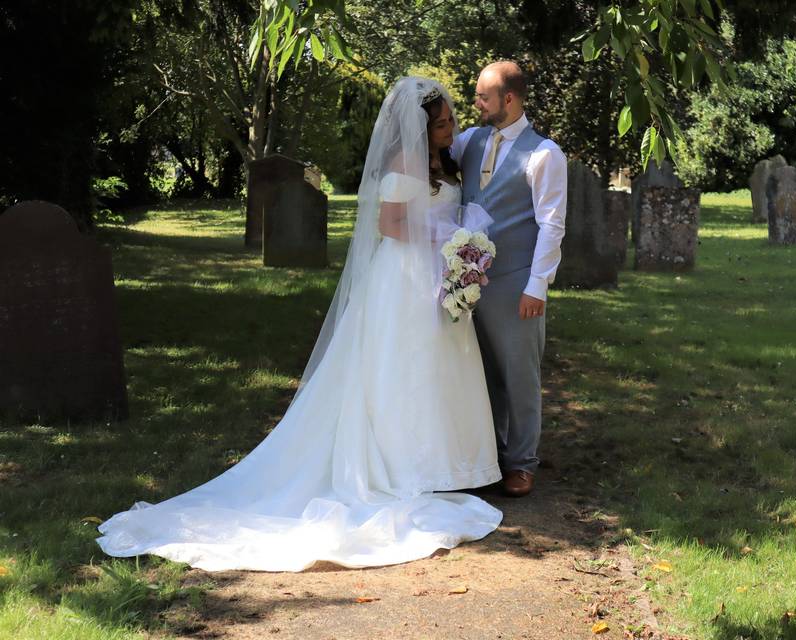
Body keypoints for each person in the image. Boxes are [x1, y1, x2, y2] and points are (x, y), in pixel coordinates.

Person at [96, 77, 503, 572]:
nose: (451, 128)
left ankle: (449, 461)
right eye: (441, 123)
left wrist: (459, 252)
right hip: (405, 278)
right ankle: (406, 465)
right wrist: (447, 240)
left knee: (441, 365)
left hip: (438, 275)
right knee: (404, 365)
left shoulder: (447, 161)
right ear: (419, 127)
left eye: (451, 120)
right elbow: (390, 224)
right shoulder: (403, 165)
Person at [451, 61, 567, 498]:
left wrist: (537, 286)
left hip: (516, 282)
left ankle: (521, 463)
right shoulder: (471, 141)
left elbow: (552, 225)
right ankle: (488, 458)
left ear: (510, 99)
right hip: (465, 282)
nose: (477, 103)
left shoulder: (544, 154)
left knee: (519, 375)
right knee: (477, 375)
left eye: (483, 96)